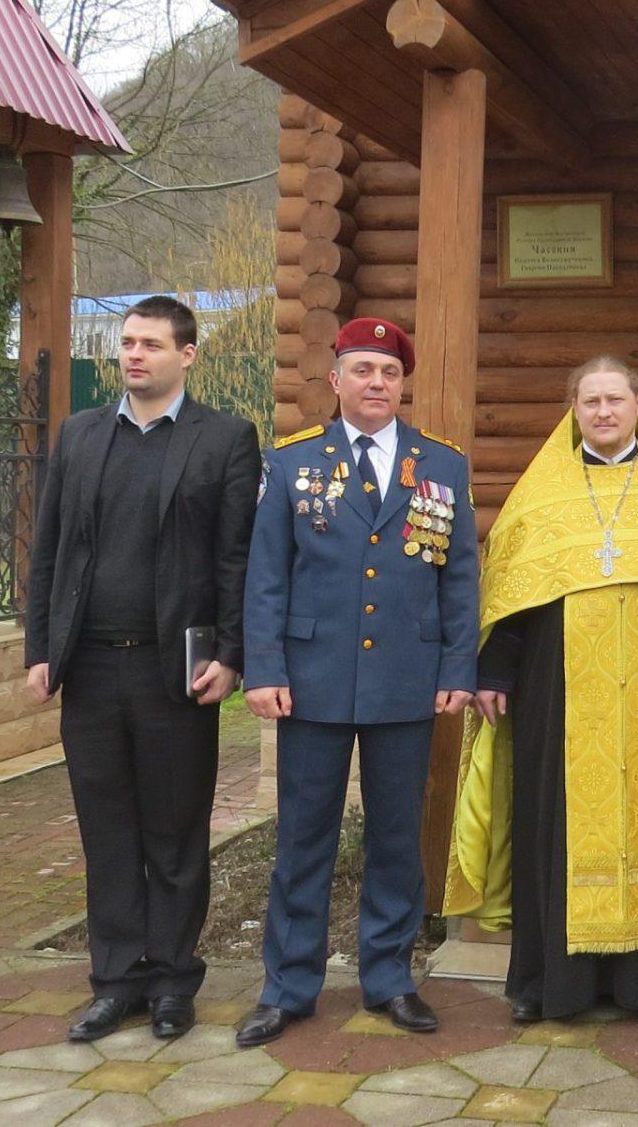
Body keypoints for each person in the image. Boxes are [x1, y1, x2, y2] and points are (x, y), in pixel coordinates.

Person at [24, 296, 260, 1042]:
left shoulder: (224, 440)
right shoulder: (81, 434)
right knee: (107, 832)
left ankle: (172, 982)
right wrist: (39, 650)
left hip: (176, 673)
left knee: (175, 832)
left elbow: (236, 558)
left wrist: (232, 656)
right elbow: (50, 551)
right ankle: (115, 979)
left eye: (152, 344)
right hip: (90, 670)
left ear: (187, 355)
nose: (134, 355)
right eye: (127, 342)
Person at [443, 358, 638, 1023]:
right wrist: (496, 670)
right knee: (551, 823)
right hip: (557, 694)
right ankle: (549, 983)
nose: (603, 411)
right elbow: (514, 590)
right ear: (573, 408)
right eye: (590, 400)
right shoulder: (542, 493)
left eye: (615, 398)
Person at [238, 318, 478, 1046]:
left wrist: (457, 667)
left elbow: (461, 577)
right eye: (362, 369)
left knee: (397, 838)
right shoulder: (291, 464)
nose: (376, 382)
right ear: (335, 380)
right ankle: (288, 986)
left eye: (388, 372)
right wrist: (265, 667)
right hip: (310, 681)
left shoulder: (442, 465)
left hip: (407, 677)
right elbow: (267, 577)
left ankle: (389, 977)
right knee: (303, 839)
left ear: (402, 385)